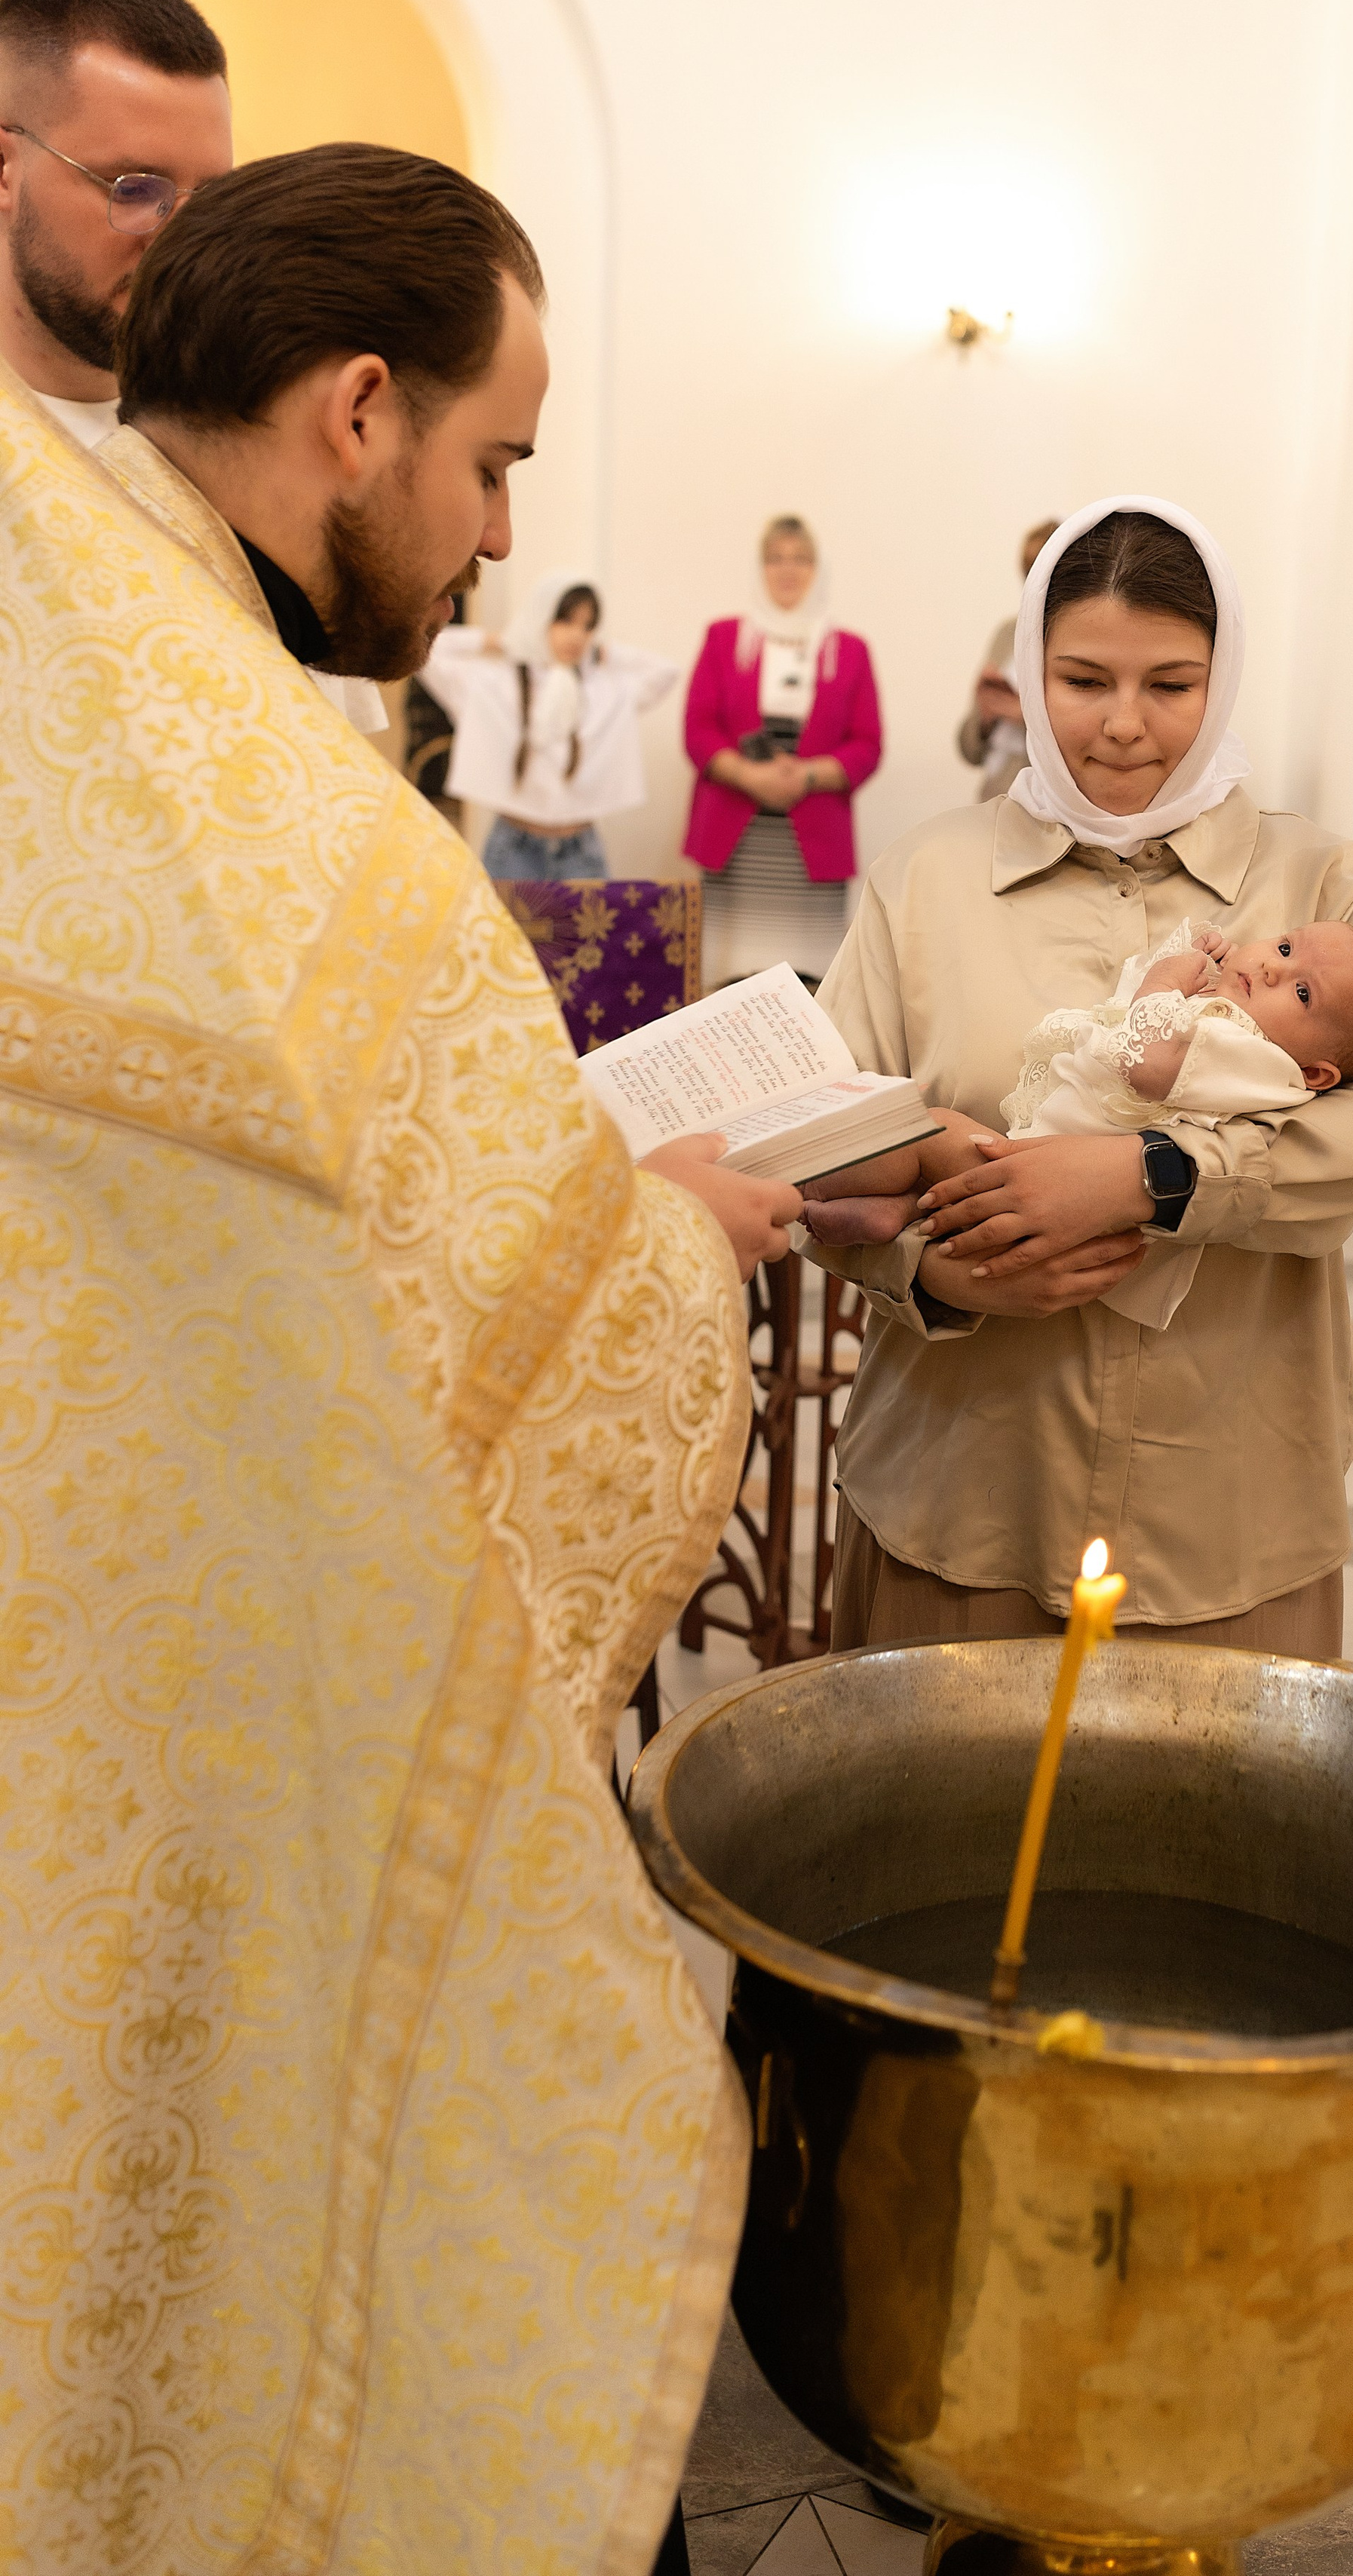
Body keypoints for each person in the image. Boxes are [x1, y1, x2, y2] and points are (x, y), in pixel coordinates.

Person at [0, 142, 799, 2570]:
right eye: (494, 461)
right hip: (190, 1698)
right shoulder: (307, 819)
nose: (487, 536)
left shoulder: (57, 595)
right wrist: (679, 1235)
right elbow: (524, 1354)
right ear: (360, 409)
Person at [807, 495, 1353, 1652]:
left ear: (1224, 679)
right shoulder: (925, 880)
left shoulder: (1323, 886)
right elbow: (823, 1148)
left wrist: (1151, 1175)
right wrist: (944, 1278)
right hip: (964, 1492)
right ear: (1025, 675)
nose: (1124, 727)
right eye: (1083, 679)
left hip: (1225, 1518)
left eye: (1172, 684)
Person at [802, 916, 1353, 1329]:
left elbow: (1148, 1061)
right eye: (1284, 948)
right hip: (1045, 1178)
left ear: (1318, 1075)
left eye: (1304, 994)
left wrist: (1166, 981)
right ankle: (890, 1213)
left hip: (1040, 1175)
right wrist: (1206, 964)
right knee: (933, 1172)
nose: (1275, 970)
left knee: (927, 1127)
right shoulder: (1244, 1041)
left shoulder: (1259, 1056)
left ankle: (807, 1185)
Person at [0, 0, 231, 451]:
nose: (181, 244)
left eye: (212, 197)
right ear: (5, 170)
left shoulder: (234, 440)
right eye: (136, 188)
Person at [683, 514, 882, 984]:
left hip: (812, 847)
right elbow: (697, 729)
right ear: (760, 568)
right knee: (722, 981)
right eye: (775, 558)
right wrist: (749, 776)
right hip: (735, 842)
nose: (787, 569)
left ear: (819, 569)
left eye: (800, 559)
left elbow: (868, 744)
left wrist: (807, 776)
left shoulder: (849, 649)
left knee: (808, 986)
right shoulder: (724, 638)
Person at [428, 567, 680, 879]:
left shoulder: (601, 690)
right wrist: (501, 641)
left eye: (588, 626)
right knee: (504, 929)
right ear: (540, 617)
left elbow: (666, 672)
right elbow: (429, 653)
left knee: (591, 929)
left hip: (581, 849)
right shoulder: (495, 684)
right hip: (514, 847)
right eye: (566, 620)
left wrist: (605, 652)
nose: (577, 635)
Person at [958, 514, 1060, 799]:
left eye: (1045, 564)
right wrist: (985, 716)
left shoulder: (1083, 640)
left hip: (1049, 804)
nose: (1035, 576)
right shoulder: (1007, 633)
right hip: (996, 796)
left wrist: (1026, 717)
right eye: (1029, 567)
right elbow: (969, 750)